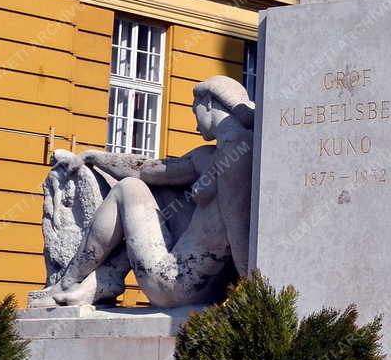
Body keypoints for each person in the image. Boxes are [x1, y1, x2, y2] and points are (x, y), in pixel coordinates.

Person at [29, 75, 253, 310]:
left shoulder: (235, 151)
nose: (195, 124)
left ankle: (68, 283)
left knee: (129, 188)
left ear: (208, 102)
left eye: (194, 110)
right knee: (163, 195)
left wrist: (254, 296)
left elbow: (239, 226)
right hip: (209, 289)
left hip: (176, 284)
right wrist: (94, 156)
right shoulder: (214, 155)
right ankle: (104, 279)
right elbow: (148, 169)